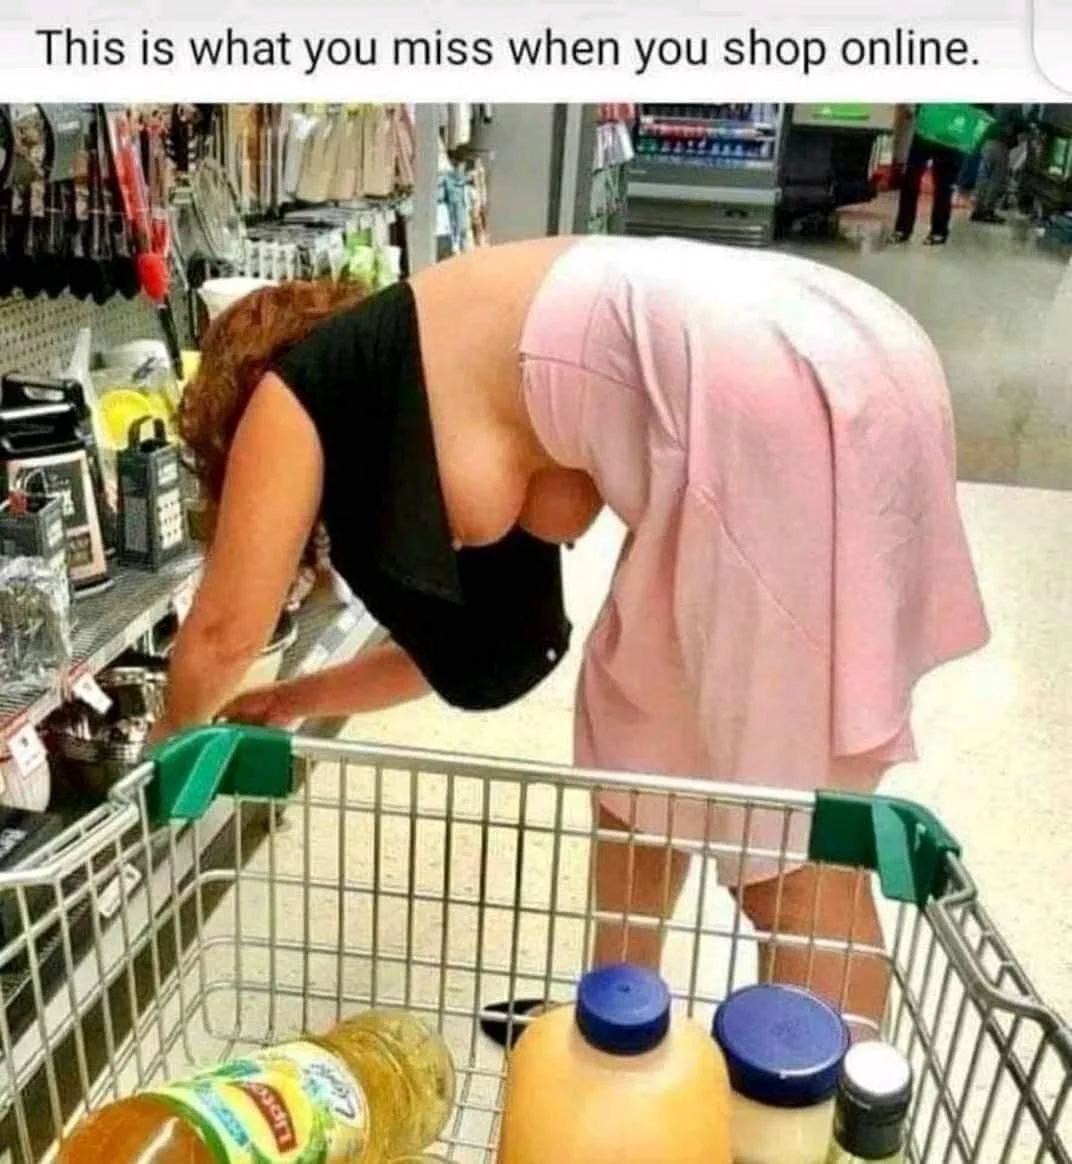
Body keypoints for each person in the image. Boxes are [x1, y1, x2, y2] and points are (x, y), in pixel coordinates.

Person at [155, 236, 989, 1040]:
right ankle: (617, 1031)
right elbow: (460, 656)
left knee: (791, 848)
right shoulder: (432, 356)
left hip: (769, 397)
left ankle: (829, 1108)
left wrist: (156, 771)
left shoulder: (297, 389)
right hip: (822, 338)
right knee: (637, 737)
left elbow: (224, 633)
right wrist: (294, 698)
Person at [892, 106, 963, 245]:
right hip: (928, 125)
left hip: (949, 129)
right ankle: (903, 229)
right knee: (911, 179)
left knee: (942, 184)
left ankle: (938, 231)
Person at [971, 105, 1028, 224]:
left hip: (987, 139)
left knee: (983, 176)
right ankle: (987, 211)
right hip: (1000, 142)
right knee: (997, 178)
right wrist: (1029, 128)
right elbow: (1020, 123)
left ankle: (977, 209)